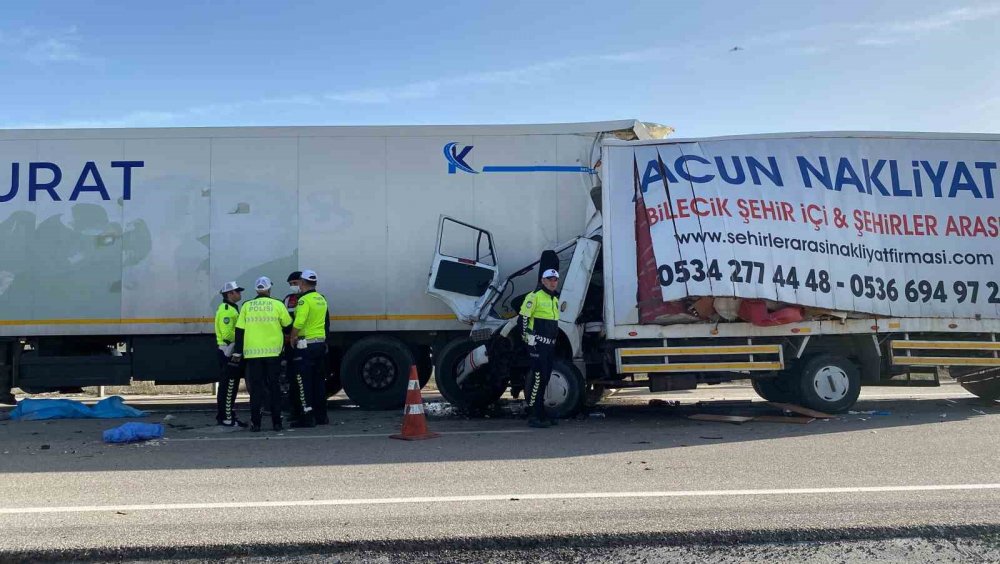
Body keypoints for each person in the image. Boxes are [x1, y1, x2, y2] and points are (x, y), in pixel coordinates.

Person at [233, 276, 292, 432]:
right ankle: (277, 423)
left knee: (256, 390)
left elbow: (239, 331)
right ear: (269, 288)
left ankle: (256, 423)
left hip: (252, 355)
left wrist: (238, 352)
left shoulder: (247, 306)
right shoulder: (277, 305)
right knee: (274, 387)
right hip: (273, 353)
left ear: (256, 289)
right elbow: (288, 326)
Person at [520, 268, 561, 428]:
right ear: (543, 281)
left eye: (555, 279)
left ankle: (541, 412)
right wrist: (528, 341)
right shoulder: (534, 296)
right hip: (537, 346)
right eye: (549, 279)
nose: (552, 282)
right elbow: (523, 319)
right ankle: (534, 415)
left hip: (549, 346)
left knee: (545, 379)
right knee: (538, 379)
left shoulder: (554, 299)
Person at [289, 269, 330, 426]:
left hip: (305, 346)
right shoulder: (321, 299)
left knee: (303, 382)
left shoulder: (303, 301)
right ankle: (322, 416)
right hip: (319, 344)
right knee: (319, 382)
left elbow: (299, 322)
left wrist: (292, 336)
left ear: (304, 283)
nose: (298, 284)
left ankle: (306, 417)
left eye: (299, 282)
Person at [214, 281, 247, 428]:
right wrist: (244, 336)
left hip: (228, 350)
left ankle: (227, 416)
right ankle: (227, 418)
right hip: (229, 351)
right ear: (229, 294)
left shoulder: (232, 309)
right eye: (237, 291)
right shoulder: (227, 310)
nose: (239, 294)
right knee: (229, 386)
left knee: (229, 386)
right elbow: (228, 334)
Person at [281, 271, 309, 422]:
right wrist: (287, 335)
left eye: (295, 283)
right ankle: (295, 411)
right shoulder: (288, 300)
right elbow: (283, 319)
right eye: (291, 284)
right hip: (291, 344)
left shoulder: (309, 299)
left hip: (306, 343)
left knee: (306, 380)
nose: (293, 286)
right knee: (293, 380)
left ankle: (309, 412)